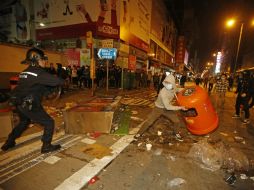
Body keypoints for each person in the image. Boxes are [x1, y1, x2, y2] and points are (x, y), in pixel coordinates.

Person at [1, 48, 64, 153]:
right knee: (49, 122)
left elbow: (33, 86)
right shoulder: (38, 73)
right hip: (30, 104)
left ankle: (9, 142)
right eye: (43, 59)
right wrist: (61, 79)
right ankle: (46, 146)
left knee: (24, 122)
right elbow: (58, 81)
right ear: (37, 60)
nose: (45, 62)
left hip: (19, 103)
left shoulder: (24, 72)